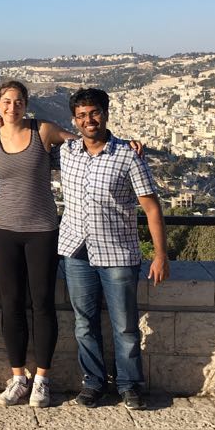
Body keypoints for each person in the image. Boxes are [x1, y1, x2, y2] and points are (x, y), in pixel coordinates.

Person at [58, 87, 169, 411]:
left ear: (105, 114)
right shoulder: (68, 151)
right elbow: (35, 134)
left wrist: (161, 255)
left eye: (94, 113)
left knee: (125, 325)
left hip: (118, 253)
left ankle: (129, 384)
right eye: (81, 115)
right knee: (84, 323)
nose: (88, 120)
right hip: (76, 250)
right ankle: (93, 382)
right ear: (74, 120)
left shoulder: (128, 155)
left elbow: (151, 208)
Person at [0, 80, 76, 408]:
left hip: (42, 229)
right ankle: (18, 376)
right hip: (4, 229)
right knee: (10, 304)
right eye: (6, 102)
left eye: (18, 101)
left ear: (26, 103)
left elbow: (82, 145)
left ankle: (42, 379)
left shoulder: (44, 131)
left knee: (42, 303)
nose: (12, 107)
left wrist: (122, 144)